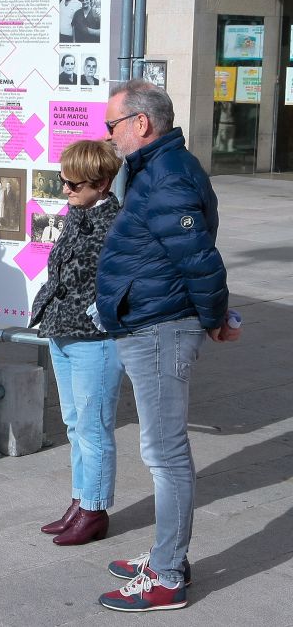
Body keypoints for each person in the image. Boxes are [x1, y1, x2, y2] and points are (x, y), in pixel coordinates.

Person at [95, 79, 238, 612]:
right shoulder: (158, 169)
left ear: (141, 123)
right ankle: (164, 555)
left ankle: (168, 574)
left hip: (159, 329)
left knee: (166, 454)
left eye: (113, 125)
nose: (108, 136)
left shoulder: (167, 175)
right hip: (151, 323)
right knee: (162, 451)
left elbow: (199, 257)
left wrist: (217, 316)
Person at [30, 140, 124, 546]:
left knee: (93, 426)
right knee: (74, 424)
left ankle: (95, 510)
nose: (65, 190)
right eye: (62, 181)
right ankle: (80, 500)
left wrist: (98, 314)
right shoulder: (78, 212)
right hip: (61, 332)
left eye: (73, 184)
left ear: (102, 184)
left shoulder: (118, 223)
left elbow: (124, 282)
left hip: (95, 339)